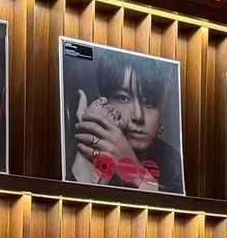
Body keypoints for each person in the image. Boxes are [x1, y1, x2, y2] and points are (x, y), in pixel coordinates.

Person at [67, 51, 183, 193]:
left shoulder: (176, 165)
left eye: (149, 102)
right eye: (123, 98)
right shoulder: (76, 147)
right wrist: (91, 136)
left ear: (162, 111)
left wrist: (134, 172)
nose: (138, 116)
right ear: (104, 102)